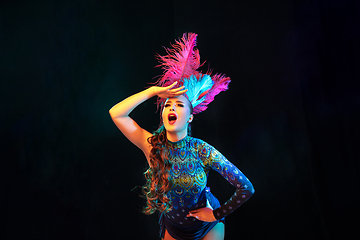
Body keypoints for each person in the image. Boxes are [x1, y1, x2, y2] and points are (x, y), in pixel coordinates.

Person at [109, 33, 254, 240]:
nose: (171, 107)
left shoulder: (201, 150)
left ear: (190, 118)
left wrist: (215, 214)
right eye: (168, 104)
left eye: (179, 104)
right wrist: (152, 91)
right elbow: (116, 113)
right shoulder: (152, 146)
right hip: (174, 230)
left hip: (207, 229)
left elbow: (246, 187)